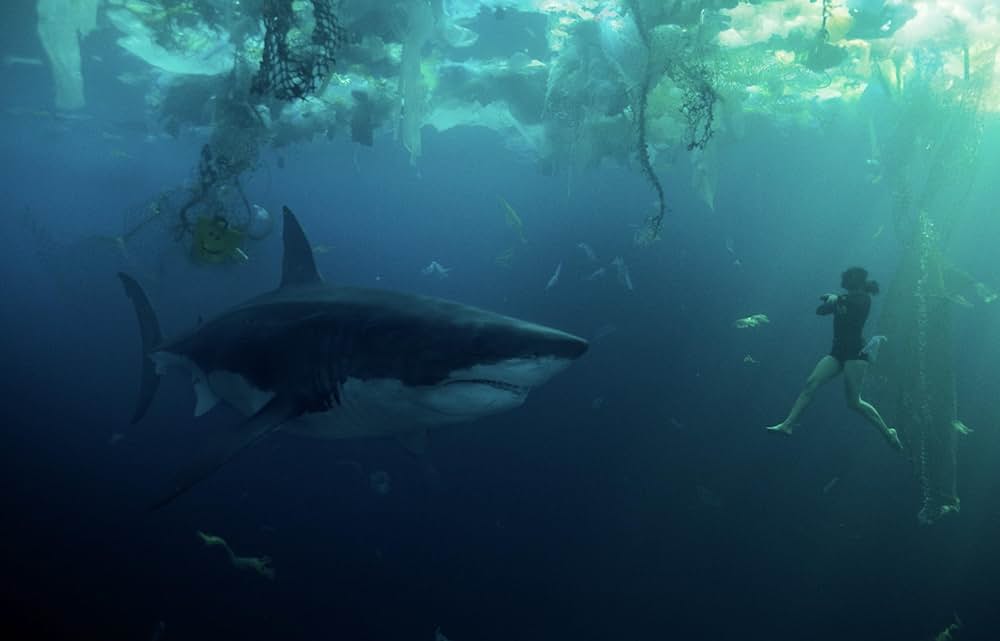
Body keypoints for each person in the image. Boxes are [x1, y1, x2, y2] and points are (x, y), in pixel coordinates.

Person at [766, 267, 903, 451]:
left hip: (856, 353)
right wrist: (833, 302)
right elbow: (820, 311)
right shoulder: (845, 299)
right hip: (837, 352)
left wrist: (837, 299)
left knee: (854, 402)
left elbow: (854, 303)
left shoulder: (863, 299)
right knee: (811, 383)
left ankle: (888, 433)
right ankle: (788, 424)